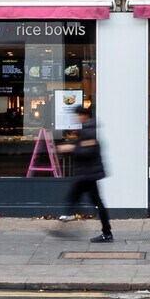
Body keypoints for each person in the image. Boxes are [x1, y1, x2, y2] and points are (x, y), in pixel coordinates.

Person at [58, 104, 113, 244]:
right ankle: (106, 232)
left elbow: (89, 152)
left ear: (84, 115)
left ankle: (67, 228)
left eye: (78, 115)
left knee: (75, 198)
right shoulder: (88, 128)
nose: (77, 117)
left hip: (87, 173)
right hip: (88, 173)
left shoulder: (88, 130)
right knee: (86, 200)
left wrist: (71, 148)